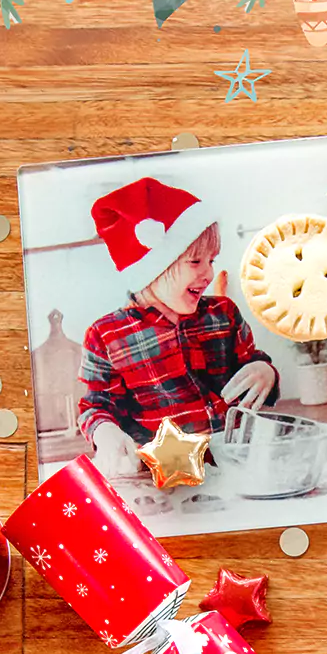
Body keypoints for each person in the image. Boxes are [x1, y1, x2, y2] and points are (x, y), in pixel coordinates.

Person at [78, 177, 278, 476]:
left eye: (212, 260)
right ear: (155, 267)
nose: (209, 273)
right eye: (196, 261)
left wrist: (268, 373)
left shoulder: (224, 314)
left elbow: (253, 363)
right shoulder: (106, 335)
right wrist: (105, 433)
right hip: (166, 477)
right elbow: (96, 405)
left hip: (240, 462)